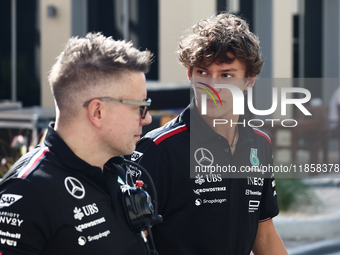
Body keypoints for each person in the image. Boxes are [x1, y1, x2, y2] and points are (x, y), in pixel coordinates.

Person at [130, 13, 288, 254]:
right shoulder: (157, 149)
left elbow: (264, 233)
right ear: (190, 75)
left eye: (226, 75)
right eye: (203, 72)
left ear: (250, 80)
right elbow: (131, 240)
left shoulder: (259, 144)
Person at [0, 32, 154, 254]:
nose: (147, 118)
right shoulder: (27, 192)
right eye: (140, 106)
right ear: (97, 112)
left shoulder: (117, 169)